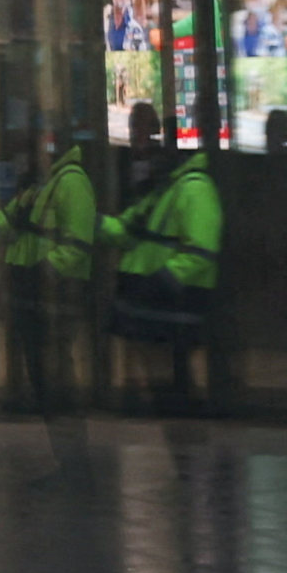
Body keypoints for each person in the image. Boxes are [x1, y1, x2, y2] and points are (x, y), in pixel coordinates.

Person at [105, 108, 223, 416]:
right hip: (160, 297)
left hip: (175, 298)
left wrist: (165, 278)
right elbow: (130, 227)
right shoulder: (167, 188)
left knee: (174, 373)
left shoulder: (194, 188)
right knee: (165, 372)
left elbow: (202, 249)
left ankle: (183, 431)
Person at [0, 118, 100, 469]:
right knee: (45, 382)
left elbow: (78, 243)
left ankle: (75, 462)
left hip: (55, 299)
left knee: (57, 383)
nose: (25, 155)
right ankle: (68, 461)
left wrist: (44, 271)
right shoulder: (40, 188)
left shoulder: (71, 183)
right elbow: (8, 223)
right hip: (35, 299)